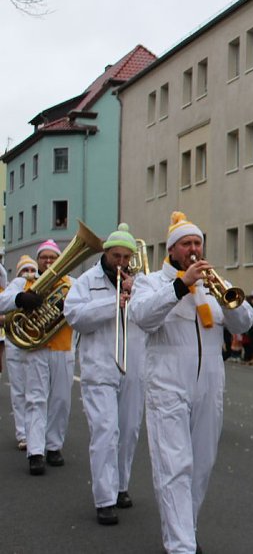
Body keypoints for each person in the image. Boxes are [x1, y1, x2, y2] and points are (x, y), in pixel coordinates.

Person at [129, 211, 253, 554]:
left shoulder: (214, 283)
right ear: (172, 250)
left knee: (202, 464)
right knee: (174, 464)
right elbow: (142, 316)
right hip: (168, 383)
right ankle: (181, 545)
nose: (194, 249)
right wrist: (180, 287)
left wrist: (226, 299)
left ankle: (184, 530)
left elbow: (244, 323)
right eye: (187, 243)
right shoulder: (152, 282)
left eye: (198, 242)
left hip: (209, 383)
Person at [64, 223, 146, 526]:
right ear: (106, 253)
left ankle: (121, 485)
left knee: (129, 430)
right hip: (99, 368)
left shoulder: (141, 282)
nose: (121, 262)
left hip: (134, 367)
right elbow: (75, 317)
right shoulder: (87, 281)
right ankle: (105, 498)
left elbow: (150, 317)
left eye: (126, 257)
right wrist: (113, 303)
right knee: (105, 433)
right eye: (115, 256)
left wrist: (135, 295)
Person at [0, 239, 75, 475]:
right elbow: (2, 300)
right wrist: (20, 299)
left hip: (63, 348)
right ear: (38, 260)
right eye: (45, 257)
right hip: (36, 348)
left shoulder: (70, 283)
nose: (49, 261)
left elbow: (83, 308)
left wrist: (68, 306)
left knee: (61, 400)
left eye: (53, 257)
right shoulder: (24, 281)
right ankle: (35, 451)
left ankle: (54, 446)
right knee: (36, 399)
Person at [4, 255, 37, 452]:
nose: (29, 274)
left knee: (35, 392)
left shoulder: (40, 285)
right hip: (15, 343)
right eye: (25, 270)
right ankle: (23, 434)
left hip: (34, 343)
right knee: (19, 391)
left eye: (32, 270)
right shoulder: (15, 286)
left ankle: (36, 432)